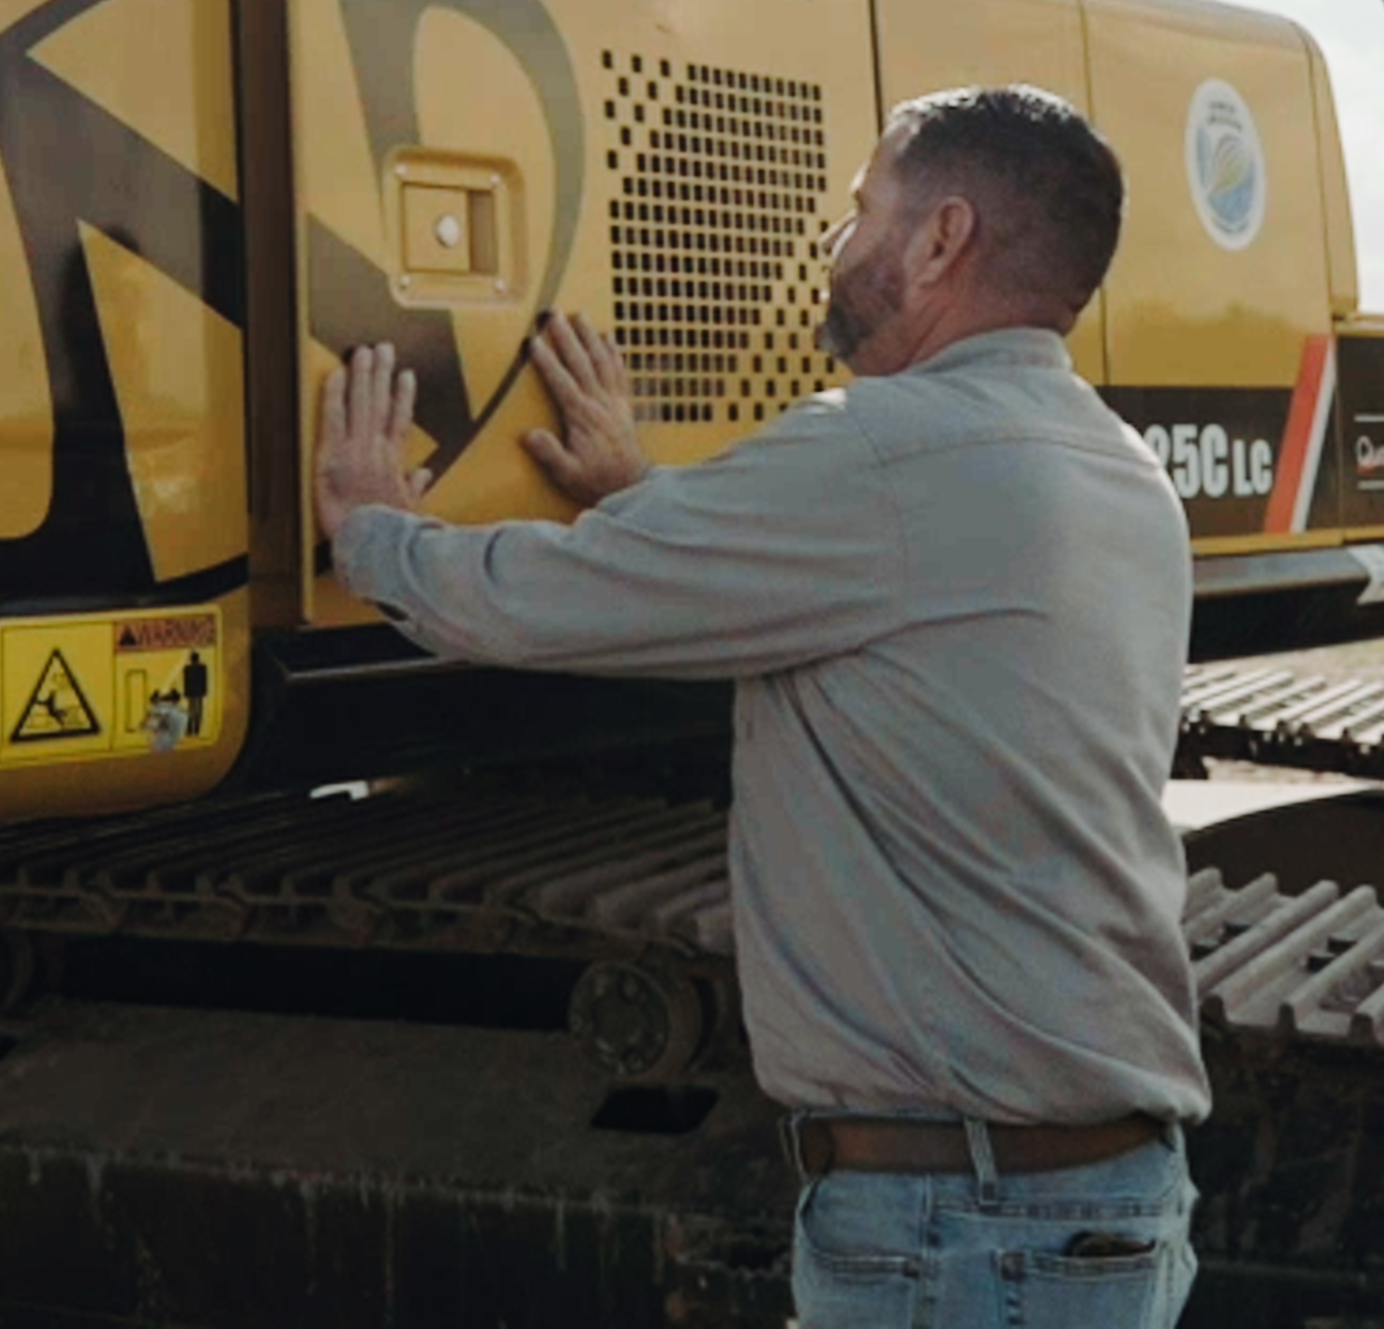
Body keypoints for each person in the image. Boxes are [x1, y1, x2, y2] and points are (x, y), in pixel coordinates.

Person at [316, 83, 1206, 1329]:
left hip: (966, 1230)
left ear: (942, 239)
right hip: (1074, 1205)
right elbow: (896, 618)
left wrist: (371, 534)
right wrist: (647, 499)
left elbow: (530, 605)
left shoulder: (883, 453)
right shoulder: (1114, 466)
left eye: (859, 212)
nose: (836, 248)